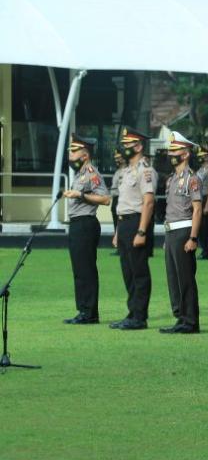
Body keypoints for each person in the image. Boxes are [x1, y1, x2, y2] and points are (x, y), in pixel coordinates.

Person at [111, 127, 158, 330]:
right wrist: (117, 232)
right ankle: (132, 312)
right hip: (124, 223)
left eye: (128, 145)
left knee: (139, 272)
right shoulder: (127, 171)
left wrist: (141, 231)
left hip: (137, 222)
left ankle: (140, 317)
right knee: (127, 272)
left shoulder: (145, 171)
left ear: (138, 146)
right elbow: (123, 202)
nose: (125, 149)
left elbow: (148, 203)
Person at [63, 135, 110, 325]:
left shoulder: (91, 173)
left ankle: (90, 313)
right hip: (76, 224)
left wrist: (80, 194)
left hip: (86, 224)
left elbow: (105, 199)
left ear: (85, 155)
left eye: (74, 152)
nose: (71, 156)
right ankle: (82, 310)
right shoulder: (79, 174)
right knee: (79, 270)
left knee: (86, 269)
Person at [160, 132, 202, 334]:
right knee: (173, 278)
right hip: (171, 232)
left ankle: (190, 321)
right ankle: (180, 317)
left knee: (185, 279)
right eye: (170, 150)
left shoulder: (191, 178)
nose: (171, 154)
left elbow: (197, 209)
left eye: (175, 150)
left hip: (184, 231)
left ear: (185, 154)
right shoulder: (172, 179)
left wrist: (193, 237)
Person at [110, 149, 125, 242]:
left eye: (119, 158)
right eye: (115, 158)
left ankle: (121, 244)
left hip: (121, 199)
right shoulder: (117, 171)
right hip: (115, 200)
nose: (117, 160)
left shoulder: (126, 171)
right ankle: (118, 244)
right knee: (116, 224)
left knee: (121, 223)